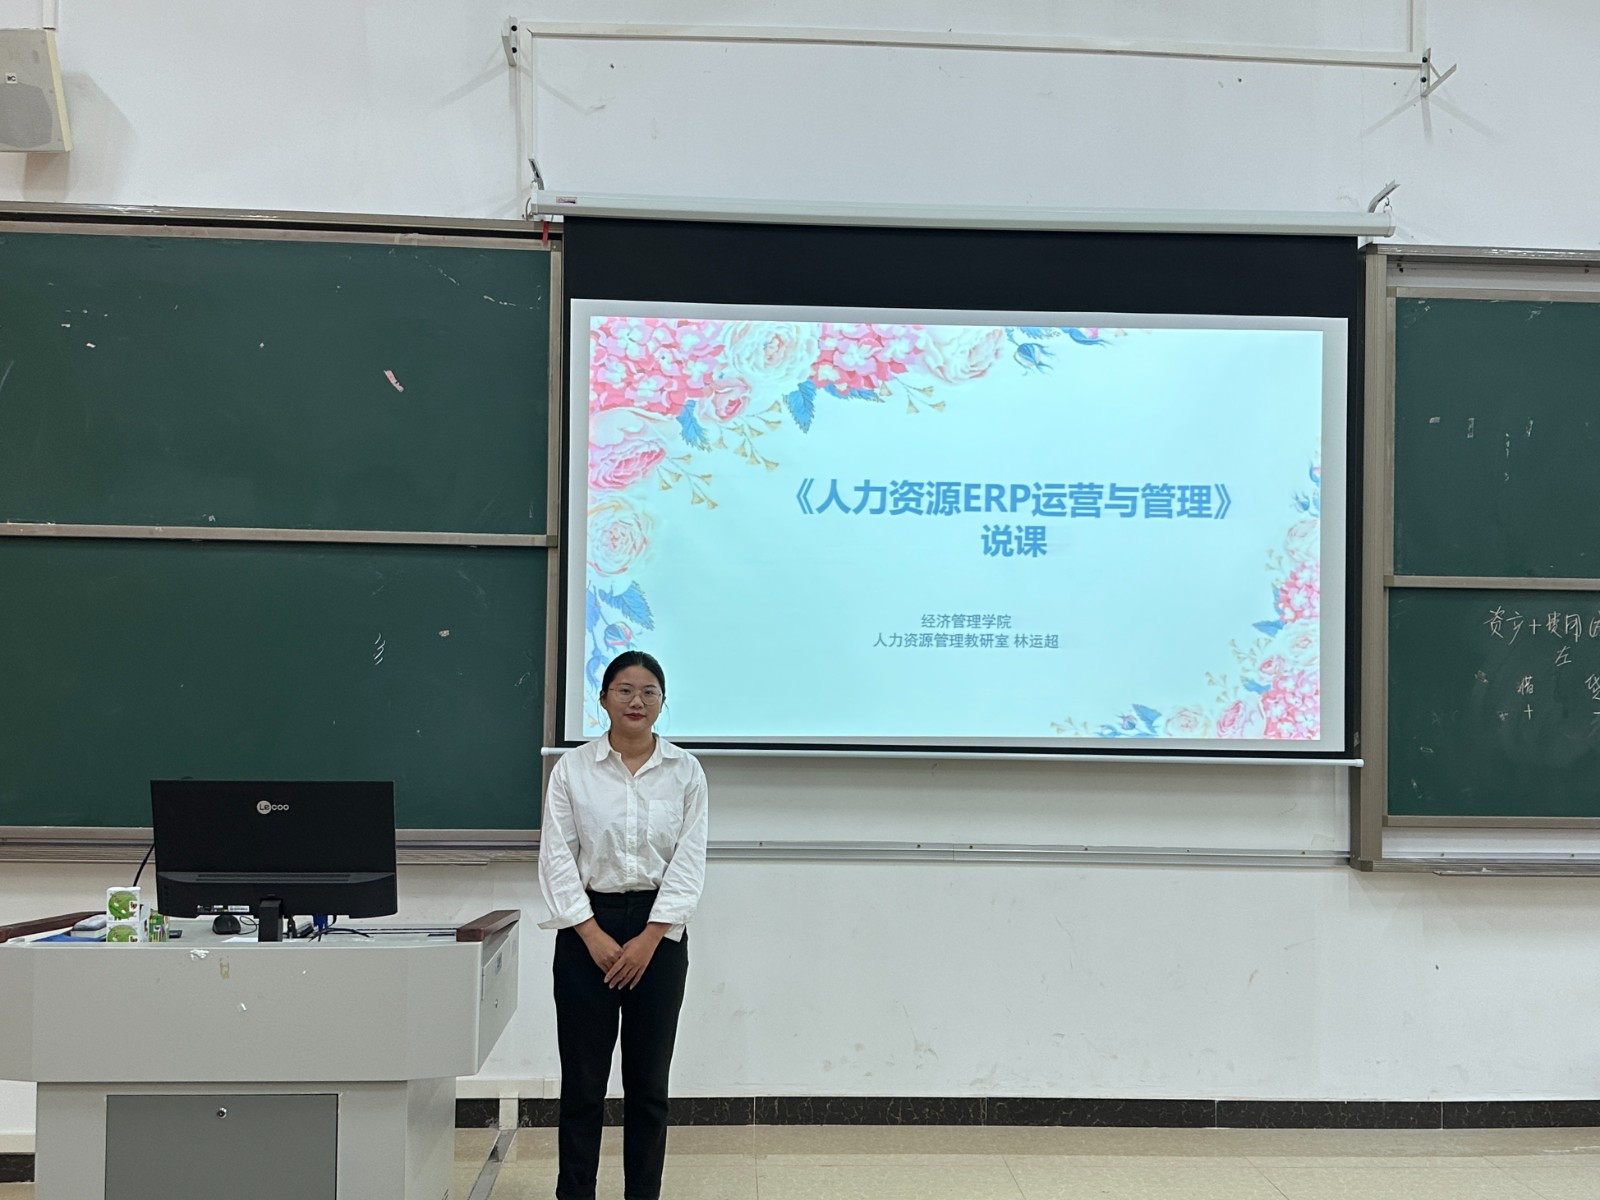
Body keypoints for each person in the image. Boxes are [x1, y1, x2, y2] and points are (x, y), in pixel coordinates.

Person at [538, 650, 709, 1200]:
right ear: (604, 698)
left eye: (649, 691)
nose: (637, 701)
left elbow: (689, 861)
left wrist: (650, 938)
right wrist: (591, 933)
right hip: (586, 929)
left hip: (659, 934)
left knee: (649, 1087)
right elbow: (557, 857)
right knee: (583, 1086)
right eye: (625, 690)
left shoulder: (685, 771)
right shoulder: (573, 770)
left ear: (662, 701)